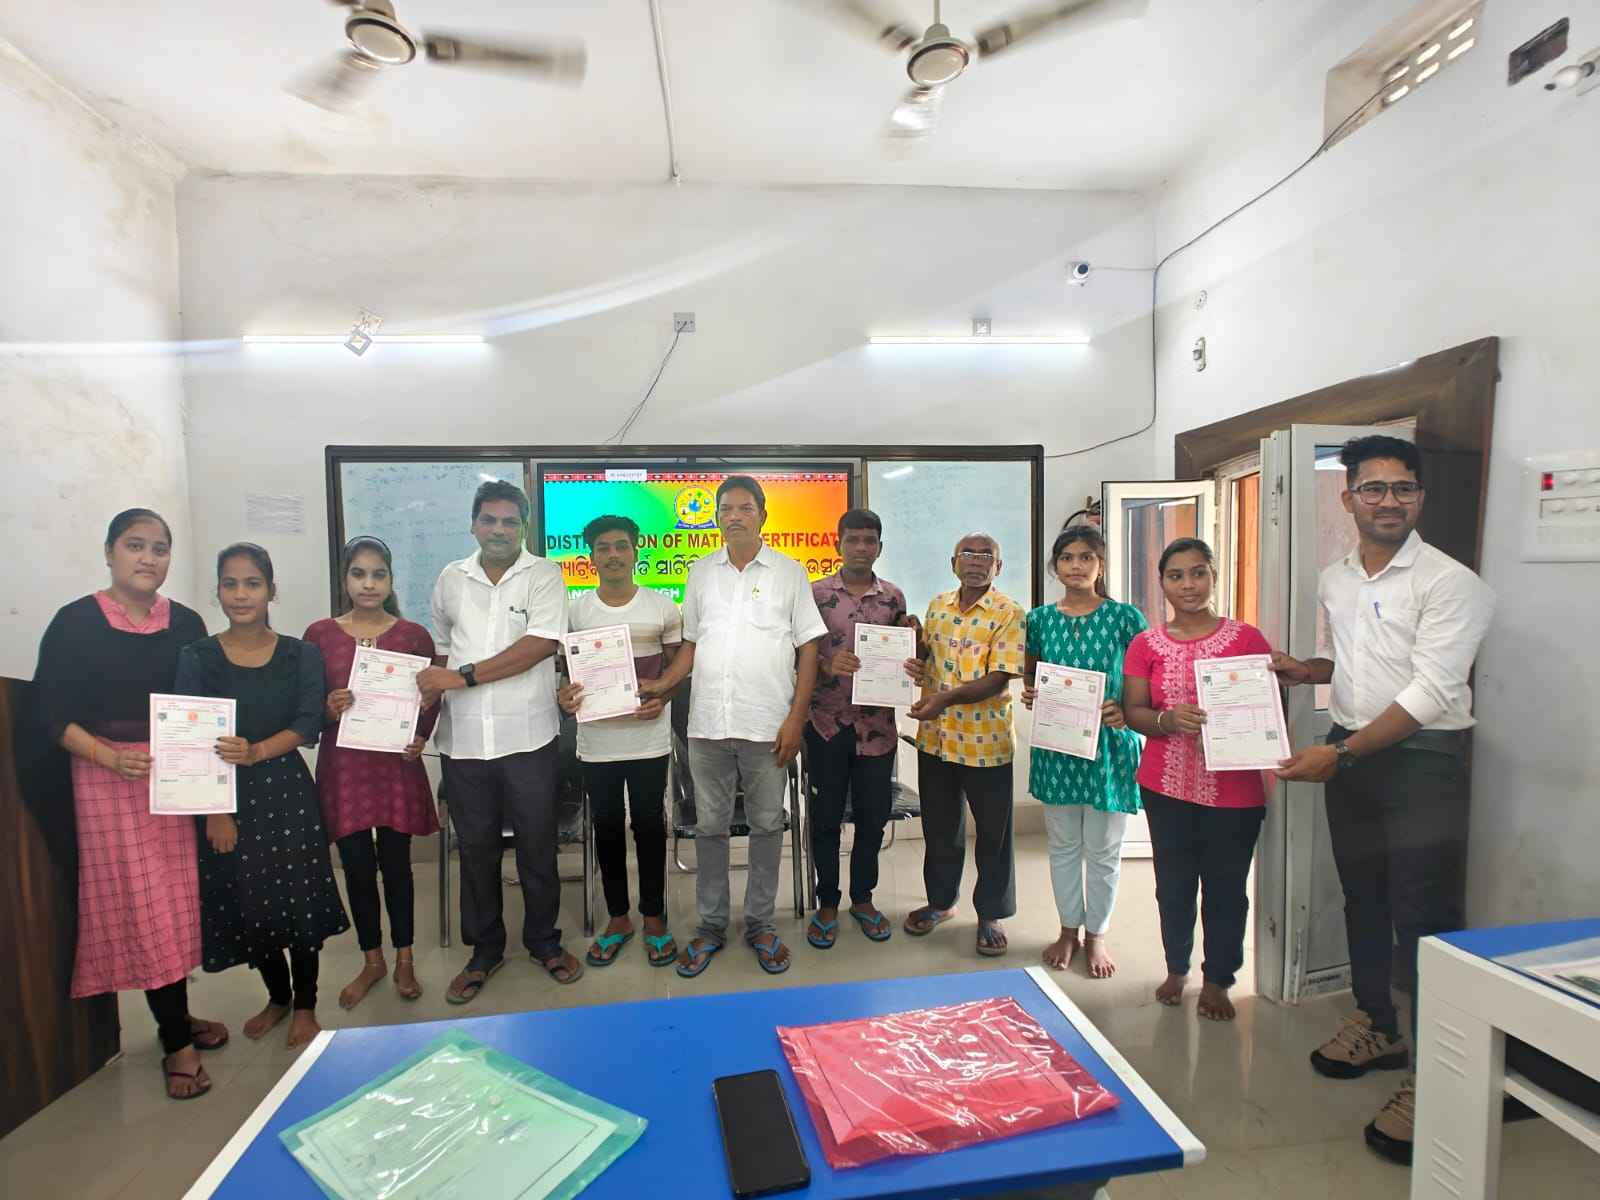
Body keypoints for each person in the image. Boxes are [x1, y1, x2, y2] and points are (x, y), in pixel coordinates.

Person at [1272, 434, 1494, 1166]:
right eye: (1374, 488)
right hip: (1354, 750)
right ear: (1349, 498)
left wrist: (1339, 754)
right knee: (1362, 898)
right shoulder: (1337, 578)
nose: (1388, 501)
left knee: (1425, 917)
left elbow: (1430, 691)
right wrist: (1308, 671)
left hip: (1421, 761)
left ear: (1420, 497)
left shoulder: (1452, 584)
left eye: (1403, 488)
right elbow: (1359, 661)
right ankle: (1380, 1025)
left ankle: (1439, 1077)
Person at [32, 509, 226, 1100]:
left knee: (178, 906)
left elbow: (206, 705)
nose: (148, 558)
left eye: (160, 548)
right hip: (107, 782)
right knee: (143, 909)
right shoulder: (75, 622)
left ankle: (176, 1015)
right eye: (135, 545)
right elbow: (49, 714)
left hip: (178, 780)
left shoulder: (186, 623)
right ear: (109, 552)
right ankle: (177, 1042)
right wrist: (109, 757)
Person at [640, 475, 826, 979]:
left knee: (766, 826)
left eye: (745, 508)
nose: (735, 516)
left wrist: (796, 718)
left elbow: (809, 648)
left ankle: (761, 924)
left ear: (763, 515)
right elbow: (691, 644)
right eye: (726, 508)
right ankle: (711, 925)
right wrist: (664, 685)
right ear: (717, 517)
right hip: (707, 725)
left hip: (768, 725)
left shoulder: (790, 572)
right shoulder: (701, 572)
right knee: (710, 829)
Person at [177, 543, 350, 1050]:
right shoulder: (197, 657)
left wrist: (255, 752)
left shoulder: (302, 654)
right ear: (217, 591)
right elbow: (191, 737)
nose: (241, 594)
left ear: (271, 590)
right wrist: (216, 813)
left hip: (286, 791)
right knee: (251, 900)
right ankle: (277, 996)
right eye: (230, 584)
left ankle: (305, 1005)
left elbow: (307, 721)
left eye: (252, 583)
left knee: (298, 901)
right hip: (224, 796)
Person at [416, 480, 581, 1002]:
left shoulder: (544, 575)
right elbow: (441, 652)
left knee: (537, 847)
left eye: (510, 521)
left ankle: (544, 942)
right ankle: (484, 951)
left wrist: (462, 677)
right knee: (476, 851)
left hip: (528, 738)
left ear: (523, 528)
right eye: (489, 519)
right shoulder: (451, 578)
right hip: (463, 741)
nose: (499, 530)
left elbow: (539, 646)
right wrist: (418, 717)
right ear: (473, 524)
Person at [1121, 537, 1273, 1023]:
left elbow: (1266, 709)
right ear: (1162, 583)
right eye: (1176, 575)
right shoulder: (1146, 644)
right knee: (1173, 885)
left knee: (1226, 888)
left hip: (1235, 791)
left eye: (1198, 572)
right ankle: (1176, 968)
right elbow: (1134, 711)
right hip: (1165, 787)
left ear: (1213, 576)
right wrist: (1166, 721)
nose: (1188, 584)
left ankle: (1218, 979)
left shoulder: (1247, 640)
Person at [303, 536, 440, 1009]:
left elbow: (430, 699)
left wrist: (420, 735)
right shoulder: (320, 635)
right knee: (358, 869)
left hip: (395, 765)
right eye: (359, 574)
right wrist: (328, 707)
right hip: (345, 769)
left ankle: (405, 959)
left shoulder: (413, 636)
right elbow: (305, 707)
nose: (368, 583)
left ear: (391, 580)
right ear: (344, 579)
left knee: (398, 866)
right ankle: (372, 960)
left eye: (378, 574)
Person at [1022, 525, 1147, 978]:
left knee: (1104, 848)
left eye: (1086, 557)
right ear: (1055, 566)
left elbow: (1147, 679)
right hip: (1058, 747)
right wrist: (1033, 692)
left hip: (1109, 746)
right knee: (1062, 845)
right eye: (1067, 558)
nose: (1076, 566)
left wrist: (1127, 710)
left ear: (1101, 565)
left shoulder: (1125, 618)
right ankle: (1067, 930)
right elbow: (1031, 671)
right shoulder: (1038, 619)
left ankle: (1097, 934)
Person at [557, 515, 681, 969]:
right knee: (606, 826)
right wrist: (564, 695)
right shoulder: (575, 613)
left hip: (648, 741)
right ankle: (618, 917)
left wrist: (663, 696)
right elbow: (565, 675)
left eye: (621, 546)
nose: (613, 555)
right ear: (590, 557)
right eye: (603, 547)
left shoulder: (662, 607)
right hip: (597, 742)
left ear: (636, 551)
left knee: (648, 825)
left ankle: (654, 917)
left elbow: (676, 671)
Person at [902, 533, 1026, 958]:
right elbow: (929, 662)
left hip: (985, 742)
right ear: (953, 562)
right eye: (967, 554)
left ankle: (991, 913)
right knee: (940, 828)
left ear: (998, 566)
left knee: (993, 834)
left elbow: (999, 677)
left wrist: (945, 699)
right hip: (936, 739)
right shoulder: (937, 605)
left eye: (986, 555)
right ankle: (941, 903)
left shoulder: (1009, 613)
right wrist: (915, 645)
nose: (976, 561)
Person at [804, 508, 910, 949]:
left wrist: (913, 662)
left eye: (870, 540)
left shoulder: (894, 598)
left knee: (872, 818)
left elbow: (904, 655)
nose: (861, 547)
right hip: (826, 724)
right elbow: (796, 653)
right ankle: (827, 902)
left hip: (877, 729)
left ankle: (863, 899)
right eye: (853, 539)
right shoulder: (814, 594)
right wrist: (828, 664)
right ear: (838, 544)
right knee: (825, 819)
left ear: (879, 547)